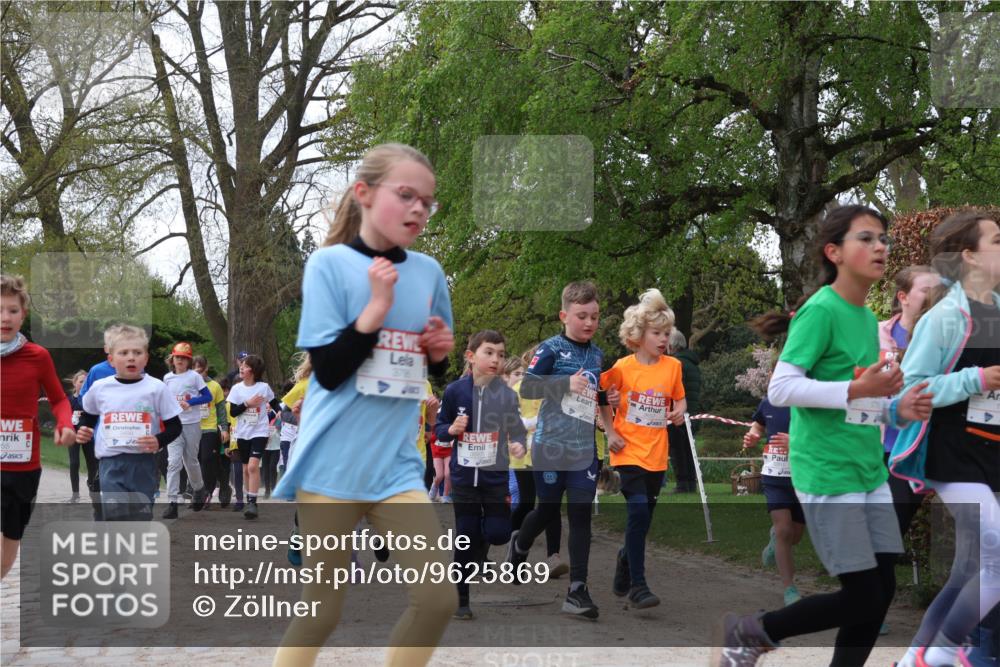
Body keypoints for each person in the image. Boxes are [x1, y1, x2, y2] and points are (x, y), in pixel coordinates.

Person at [714, 205, 934, 667]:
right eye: (867, 238)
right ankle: (754, 631)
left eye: (884, 239)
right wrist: (857, 387)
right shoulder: (821, 310)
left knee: (881, 590)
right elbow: (781, 388)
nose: (881, 247)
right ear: (834, 252)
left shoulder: (861, 315)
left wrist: (895, 408)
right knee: (862, 595)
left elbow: (859, 403)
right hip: (828, 473)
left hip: (867, 470)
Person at [271, 143, 457, 667]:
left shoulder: (429, 272)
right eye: (406, 195)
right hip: (330, 468)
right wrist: (376, 307)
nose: (419, 208)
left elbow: (430, 363)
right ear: (365, 194)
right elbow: (327, 370)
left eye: (428, 201)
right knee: (321, 613)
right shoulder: (329, 264)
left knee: (438, 600)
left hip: (396, 469)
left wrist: (438, 356)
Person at [889, 211, 1000, 667]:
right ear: (969, 256)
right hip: (951, 452)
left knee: (968, 570)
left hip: (992, 452)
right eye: (997, 239)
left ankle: (913, 656)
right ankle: (940, 655)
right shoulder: (945, 317)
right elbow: (910, 389)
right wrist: (976, 378)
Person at [508, 280, 607, 620]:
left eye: (594, 316)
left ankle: (577, 590)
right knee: (547, 511)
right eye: (582, 316)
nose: (589, 323)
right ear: (564, 315)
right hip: (550, 447)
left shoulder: (596, 353)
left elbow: (594, 390)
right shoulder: (550, 348)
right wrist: (564, 383)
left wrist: (609, 398)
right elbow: (529, 386)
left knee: (580, 517)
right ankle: (520, 543)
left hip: (583, 450)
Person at [599, 288, 686, 610]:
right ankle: (639, 586)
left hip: (657, 456)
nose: (664, 339)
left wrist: (679, 409)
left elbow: (679, 397)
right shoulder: (622, 367)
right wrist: (609, 431)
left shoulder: (673, 367)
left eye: (667, 334)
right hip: (628, 453)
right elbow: (601, 396)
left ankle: (625, 558)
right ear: (638, 335)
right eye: (657, 333)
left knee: (643, 520)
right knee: (636, 511)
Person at [435, 330, 527, 620]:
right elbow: (439, 429)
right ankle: (460, 597)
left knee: (498, 534)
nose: (495, 359)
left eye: (500, 354)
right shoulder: (454, 392)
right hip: (464, 480)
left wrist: (517, 443)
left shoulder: (506, 396)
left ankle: (483, 542)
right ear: (471, 356)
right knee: (465, 535)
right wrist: (451, 430)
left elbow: (517, 428)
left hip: (494, 479)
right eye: (489, 352)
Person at [0, 275, 75, 579]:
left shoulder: (37, 356)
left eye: (12, 310)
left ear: (23, 315)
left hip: (22, 466)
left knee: (9, 541)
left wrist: (65, 424)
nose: (5, 317)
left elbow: (59, 399)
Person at [76, 324, 183, 522]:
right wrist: (85, 428)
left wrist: (159, 440)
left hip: (144, 465)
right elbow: (89, 415)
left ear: (146, 358)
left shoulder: (156, 388)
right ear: (111, 359)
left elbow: (175, 426)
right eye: (124, 352)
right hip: (111, 463)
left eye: (137, 352)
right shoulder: (101, 388)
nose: (131, 357)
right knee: (115, 517)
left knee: (139, 521)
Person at [503, 354, 567, 579]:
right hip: (523, 457)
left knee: (551, 505)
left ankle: (553, 557)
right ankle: (513, 544)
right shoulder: (518, 389)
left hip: (550, 456)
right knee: (527, 504)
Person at [743, 392, 804, 607]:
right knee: (784, 530)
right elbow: (758, 424)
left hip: (804, 478)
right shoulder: (768, 403)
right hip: (774, 476)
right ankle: (789, 588)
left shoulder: (810, 401)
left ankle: (774, 541)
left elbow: (827, 435)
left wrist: (796, 442)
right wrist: (753, 435)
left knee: (794, 536)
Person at [227, 353, 281, 519]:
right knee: (245, 469)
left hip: (260, 431)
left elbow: (274, 403)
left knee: (252, 467)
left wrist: (279, 412)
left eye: (246, 365)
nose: (241, 367)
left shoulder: (263, 388)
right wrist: (248, 403)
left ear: (254, 371)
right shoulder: (237, 389)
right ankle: (249, 498)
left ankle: (252, 502)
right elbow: (233, 412)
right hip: (242, 433)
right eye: (241, 364)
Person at [161, 342, 211, 518]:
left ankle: (199, 489)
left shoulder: (194, 377)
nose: (180, 360)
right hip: (173, 425)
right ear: (172, 359)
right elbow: (163, 400)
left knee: (191, 461)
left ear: (189, 361)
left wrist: (190, 402)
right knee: (173, 462)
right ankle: (172, 502)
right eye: (177, 357)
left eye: (184, 358)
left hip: (191, 423)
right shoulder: (167, 379)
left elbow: (208, 396)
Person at [193, 356, 231, 509]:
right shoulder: (188, 385)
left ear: (206, 368)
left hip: (210, 428)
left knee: (207, 459)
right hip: (192, 427)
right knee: (196, 461)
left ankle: (208, 491)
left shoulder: (214, 386)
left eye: (200, 371)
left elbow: (221, 409)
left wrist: (224, 428)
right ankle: (200, 491)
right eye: (194, 371)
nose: (197, 374)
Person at [666, 328, 701, 493]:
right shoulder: (693, 364)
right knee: (689, 450)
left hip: (678, 413)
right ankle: (691, 483)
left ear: (672, 346)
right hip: (693, 412)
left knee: (677, 450)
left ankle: (682, 484)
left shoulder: (676, 364)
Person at [65, 369, 98, 503]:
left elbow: (96, 417)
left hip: (87, 434)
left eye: (86, 382)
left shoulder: (89, 401)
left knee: (92, 464)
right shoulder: (68, 400)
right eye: (81, 381)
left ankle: (91, 486)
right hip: (73, 435)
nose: (83, 384)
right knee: (74, 463)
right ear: (74, 383)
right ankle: (75, 494)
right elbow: (63, 417)